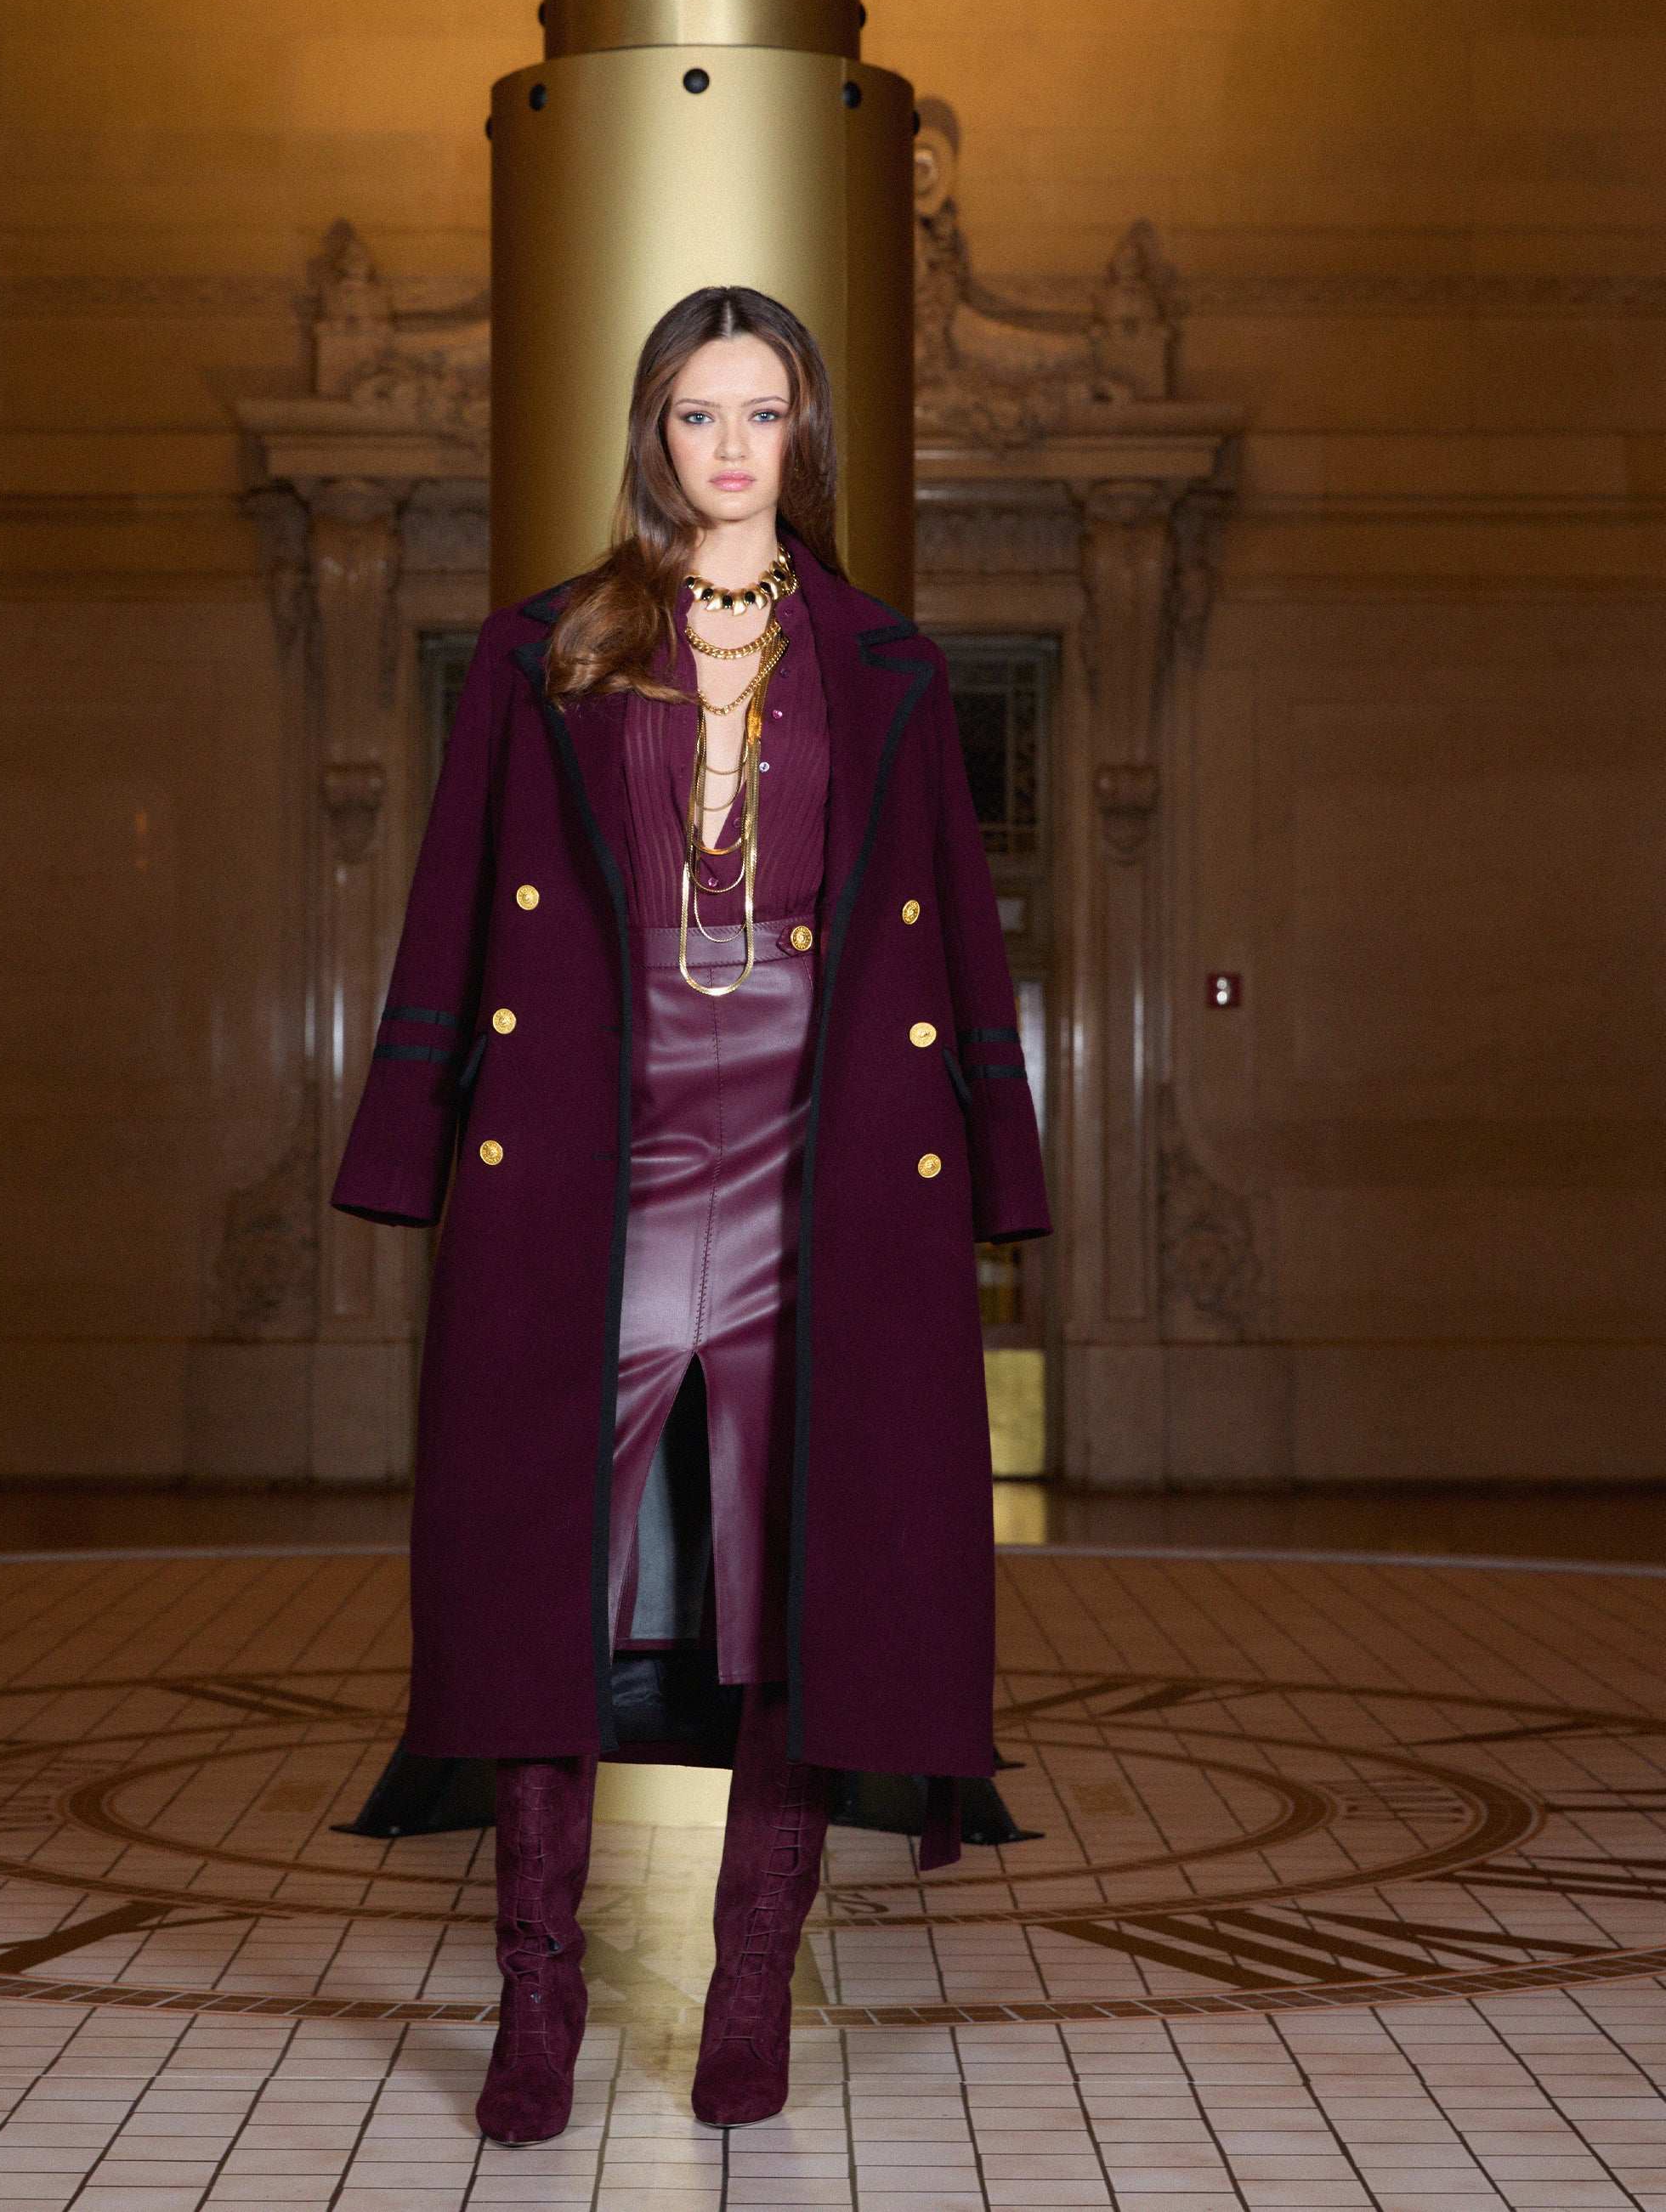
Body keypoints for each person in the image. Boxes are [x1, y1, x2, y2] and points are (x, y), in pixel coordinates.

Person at [332, 286, 1048, 2143]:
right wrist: (409, 1133)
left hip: (820, 1160)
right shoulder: (548, 648)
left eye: (762, 411)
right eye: (697, 413)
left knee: (802, 1575)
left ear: (804, 432)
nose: (731, 447)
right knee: (537, 1581)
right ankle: (537, 1992)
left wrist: (998, 1152)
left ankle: (749, 1990)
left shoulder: (885, 661)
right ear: (654, 433)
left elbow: (952, 921)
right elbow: (456, 898)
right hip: (603, 1147)